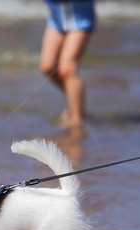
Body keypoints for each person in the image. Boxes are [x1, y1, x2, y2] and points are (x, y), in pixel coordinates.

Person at [40, 0, 96, 132]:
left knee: (67, 69)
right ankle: (74, 103)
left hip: (80, 19)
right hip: (56, 19)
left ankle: (77, 121)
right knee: (47, 67)